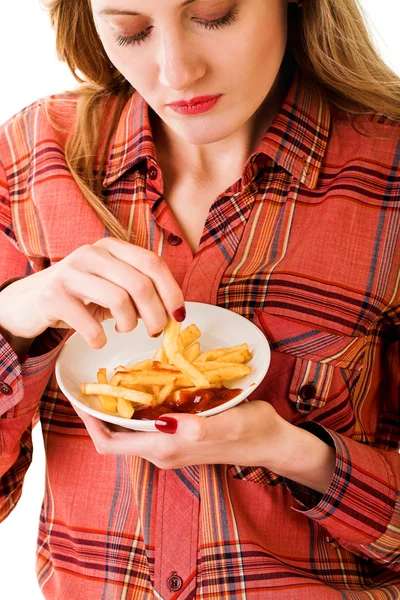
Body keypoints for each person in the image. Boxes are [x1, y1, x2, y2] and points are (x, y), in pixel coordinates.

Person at [0, 0, 399, 597]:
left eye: (214, 15)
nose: (177, 71)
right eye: (130, 29)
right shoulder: (33, 156)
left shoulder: (387, 173)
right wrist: (16, 317)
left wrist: (294, 452)